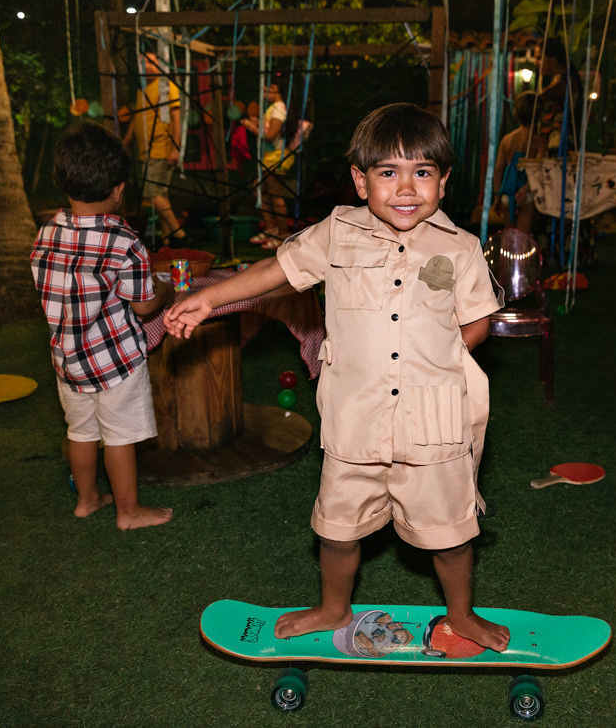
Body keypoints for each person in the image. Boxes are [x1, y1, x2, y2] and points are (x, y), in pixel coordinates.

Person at [165, 103, 510, 651]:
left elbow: (477, 322)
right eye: (388, 172)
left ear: (443, 182)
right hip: (355, 422)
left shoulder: (461, 248)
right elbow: (275, 270)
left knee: (449, 532)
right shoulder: (336, 234)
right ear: (360, 180)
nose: (406, 188)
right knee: (337, 529)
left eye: (422, 172)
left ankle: (462, 613)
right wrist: (209, 297)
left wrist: (436, 358)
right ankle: (332, 607)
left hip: (432, 426)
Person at [32, 121, 173, 530]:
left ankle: (87, 499)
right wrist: (166, 291)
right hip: (115, 362)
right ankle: (128, 512)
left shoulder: (47, 232)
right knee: (119, 436)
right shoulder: (124, 241)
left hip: (68, 360)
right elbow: (144, 306)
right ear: (118, 189)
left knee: (81, 431)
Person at [121, 52, 186, 246]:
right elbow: (137, 118)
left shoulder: (166, 87)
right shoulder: (142, 89)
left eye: (151, 62)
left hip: (161, 148)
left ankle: (179, 234)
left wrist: (176, 148)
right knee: (161, 195)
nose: (147, 66)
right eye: (143, 62)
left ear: (159, 64)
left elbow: (176, 118)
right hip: (146, 151)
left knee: (151, 194)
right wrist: (126, 141)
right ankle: (166, 241)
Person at [240, 82, 289, 248]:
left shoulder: (278, 109)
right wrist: (257, 124)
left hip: (275, 158)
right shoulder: (272, 108)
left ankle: (283, 235)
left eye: (264, 90)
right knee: (260, 191)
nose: (262, 94)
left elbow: (270, 136)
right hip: (267, 157)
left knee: (276, 196)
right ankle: (270, 229)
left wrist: (251, 127)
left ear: (274, 88)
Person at [491, 90, 545, 233]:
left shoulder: (507, 140)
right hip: (527, 191)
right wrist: (525, 189)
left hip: (507, 191)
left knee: (510, 237)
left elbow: (498, 169)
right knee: (523, 237)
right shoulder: (539, 141)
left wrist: (497, 195)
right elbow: (538, 170)